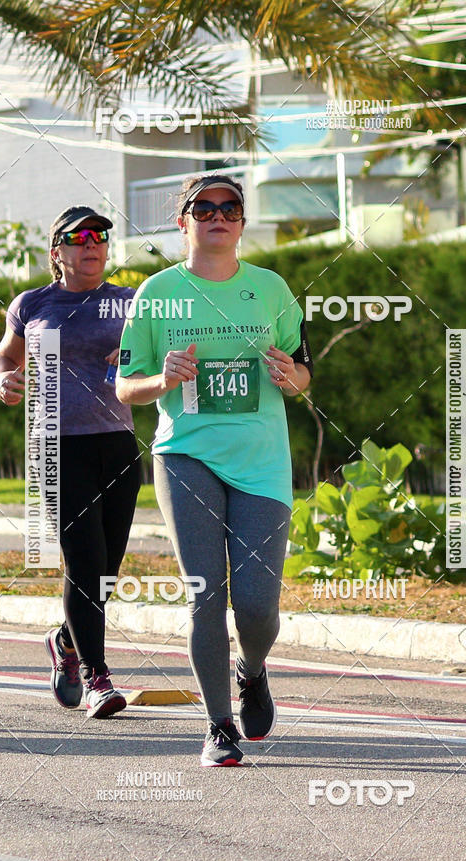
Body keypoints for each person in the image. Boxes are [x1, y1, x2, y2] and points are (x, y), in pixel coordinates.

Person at [116, 174, 313, 765]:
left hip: (262, 464)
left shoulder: (271, 288)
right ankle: (218, 726)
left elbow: (303, 373)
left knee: (257, 606)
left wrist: (291, 378)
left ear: (242, 222)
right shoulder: (156, 293)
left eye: (230, 208)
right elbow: (127, 387)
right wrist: (164, 377)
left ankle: (251, 669)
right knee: (206, 594)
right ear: (183, 223)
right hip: (186, 455)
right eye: (204, 208)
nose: (218, 216)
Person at [0, 206, 141, 718]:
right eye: (78, 238)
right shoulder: (33, 303)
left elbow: (160, 353)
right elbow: (5, 358)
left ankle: (65, 641)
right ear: (58, 254)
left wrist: (133, 359)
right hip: (55, 444)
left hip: (117, 441)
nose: (91, 243)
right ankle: (99, 676)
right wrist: (2, 380)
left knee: (108, 570)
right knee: (84, 558)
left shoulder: (130, 301)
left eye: (99, 236)